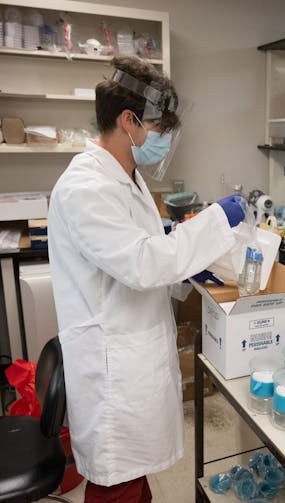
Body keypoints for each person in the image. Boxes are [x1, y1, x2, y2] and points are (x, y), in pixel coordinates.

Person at [47, 56, 246, 502]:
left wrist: (186, 252)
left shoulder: (125, 179)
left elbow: (145, 250)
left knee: (133, 480)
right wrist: (215, 221)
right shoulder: (86, 187)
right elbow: (142, 263)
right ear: (128, 121)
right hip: (112, 364)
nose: (162, 138)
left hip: (134, 348)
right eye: (158, 127)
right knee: (116, 478)